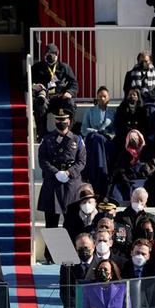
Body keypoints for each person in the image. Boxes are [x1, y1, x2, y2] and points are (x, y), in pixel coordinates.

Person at [37, 107, 86, 263]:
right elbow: (42, 160)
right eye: (58, 120)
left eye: (64, 120)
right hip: (53, 182)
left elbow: (82, 161)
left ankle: (69, 256)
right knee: (51, 221)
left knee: (71, 222)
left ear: (69, 121)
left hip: (71, 184)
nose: (61, 122)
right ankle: (52, 256)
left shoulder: (77, 139)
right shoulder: (47, 139)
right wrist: (55, 172)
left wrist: (69, 173)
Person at [31, 43, 78, 141]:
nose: (50, 55)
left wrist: (69, 92)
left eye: (53, 53)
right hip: (45, 99)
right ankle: (42, 135)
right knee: (40, 104)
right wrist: (34, 87)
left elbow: (74, 84)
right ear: (44, 55)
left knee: (71, 104)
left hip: (60, 99)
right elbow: (25, 82)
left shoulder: (64, 68)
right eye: (48, 53)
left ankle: (68, 133)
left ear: (57, 54)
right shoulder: (36, 68)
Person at [59, 232, 95, 308]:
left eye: (86, 247)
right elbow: (65, 290)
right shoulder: (67, 265)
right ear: (75, 248)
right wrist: (76, 307)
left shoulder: (100, 264)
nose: (84, 250)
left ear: (93, 247)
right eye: (80, 248)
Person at [81, 86, 116, 196]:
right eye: (100, 96)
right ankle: (100, 172)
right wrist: (96, 131)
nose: (102, 99)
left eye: (104, 96)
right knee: (97, 138)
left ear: (108, 98)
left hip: (107, 142)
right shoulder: (90, 111)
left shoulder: (112, 113)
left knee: (101, 139)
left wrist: (108, 134)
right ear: (96, 97)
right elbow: (84, 129)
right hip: (92, 140)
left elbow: (115, 130)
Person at [110, 130, 155, 202]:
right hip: (127, 179)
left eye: (136, 138)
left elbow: (152, 168)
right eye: (131, 139)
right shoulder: (124, 152)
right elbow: (119, 169)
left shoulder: (147, 151)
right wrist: (126, 176)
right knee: (117, 187)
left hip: (143, 178)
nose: (134, 141)